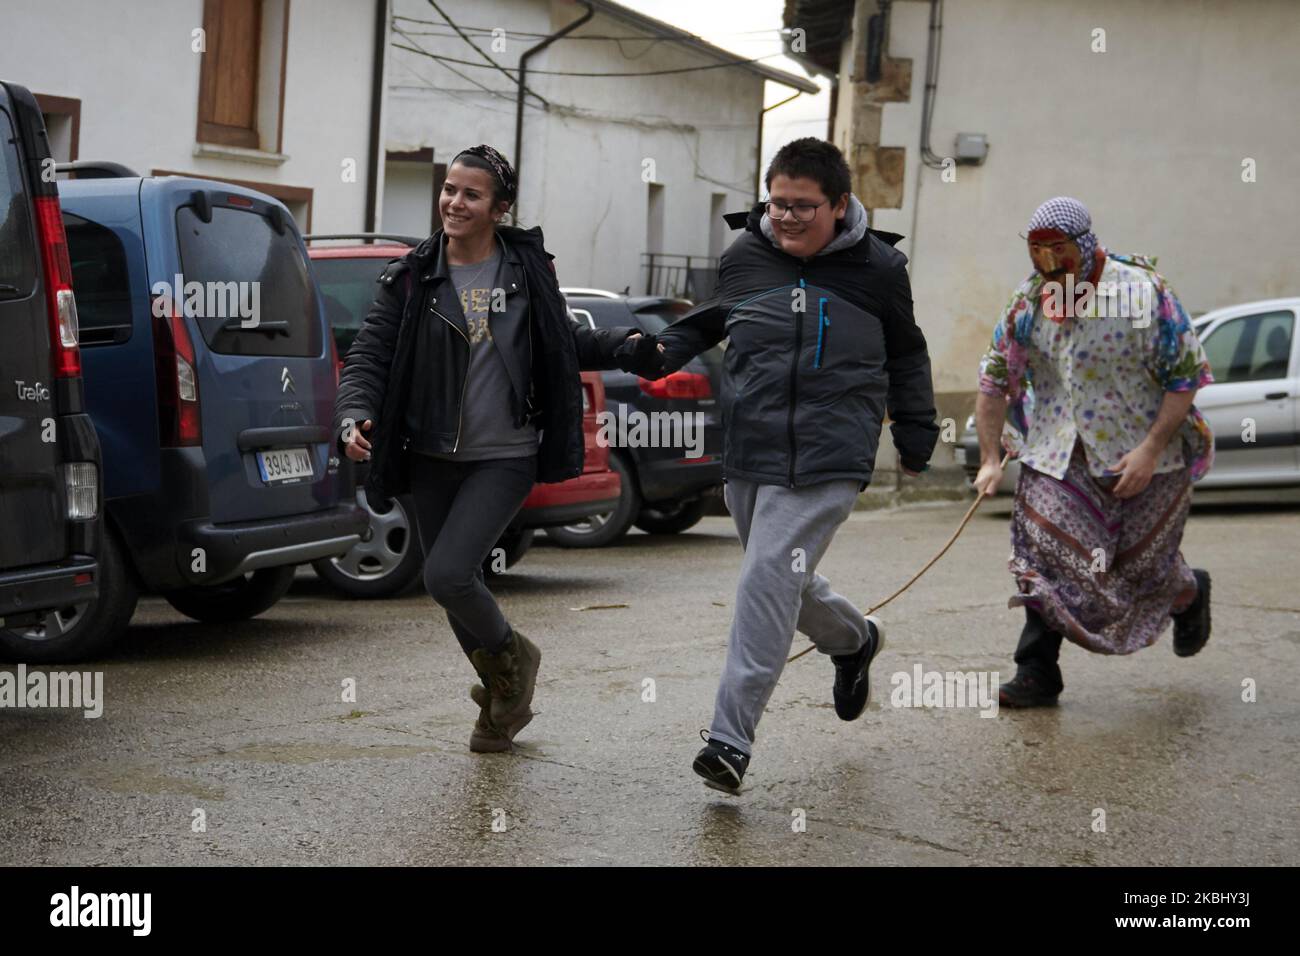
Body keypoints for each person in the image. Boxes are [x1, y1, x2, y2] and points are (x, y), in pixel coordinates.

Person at [627, 138, 939, 793]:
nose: (788, 217)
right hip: (752, 449)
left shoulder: (879, 269)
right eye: (778, 203)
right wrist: (662, 349)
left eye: (804, 206)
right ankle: (854, 641)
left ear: (841, 204)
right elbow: (713, 320)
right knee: (782, 581)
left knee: (767, 575)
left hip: (831, 453)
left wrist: (915, 434)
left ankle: (729, 740)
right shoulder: (745, 254)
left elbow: (907, 353)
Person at [333, 145, 658, 752]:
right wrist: (354, 414)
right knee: (450, 585)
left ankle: (516, 664)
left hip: (505, 453)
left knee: (448, 574)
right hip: (428, 454)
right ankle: (503, 699)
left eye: (471, 194)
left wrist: (626, 346)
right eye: (449, 190)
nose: (454, 203)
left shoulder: (525, 271)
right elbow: (369, 358)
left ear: (499, 209)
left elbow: (563, 341)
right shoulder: (412, 276)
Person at [973, 197, 1215, 708]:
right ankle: (1036, 672)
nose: (1048, 264)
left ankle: (1187, 592)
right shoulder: (1029, 302)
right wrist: (991, 458)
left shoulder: (1142, 292)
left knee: (1139, 567)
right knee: (1046, 554)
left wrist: (1150, 449)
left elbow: (1186, 375)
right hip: (1059, 452)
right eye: (1037, 252)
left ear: (1083, 244)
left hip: (1147, 452)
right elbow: (996, 378)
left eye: (1057, 251)